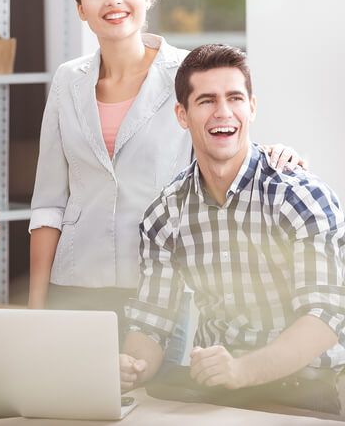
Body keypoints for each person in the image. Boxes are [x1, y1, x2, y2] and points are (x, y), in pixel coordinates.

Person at [28, 0, 302, 357]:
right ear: (81, 8)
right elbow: (48, 203)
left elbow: (223, 140)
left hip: (164, 286)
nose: (113, 1)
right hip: (76, 283)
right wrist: (36, 307)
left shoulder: (184, 74)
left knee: (158, 410)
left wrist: (275, 155)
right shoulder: (67, 81)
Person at [122, 44, 345, 414]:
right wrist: (128, 368)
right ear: (183, 114)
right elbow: (152, 322)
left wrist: (242, 370)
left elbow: (324, 318)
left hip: (309, 389)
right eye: (206, 100)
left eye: (235, 98)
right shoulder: (165, 214)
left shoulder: (298, 198)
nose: (223, 113)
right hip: (213, 391)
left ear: (251, 108)